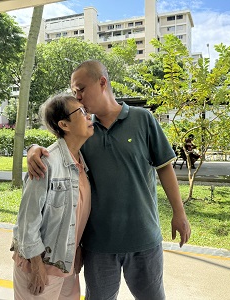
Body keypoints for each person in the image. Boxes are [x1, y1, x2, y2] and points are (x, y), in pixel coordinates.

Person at [27, 60, 191, 300]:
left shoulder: (142, 119)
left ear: (102, 82)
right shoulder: (83, 130)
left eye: (81, 89)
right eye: (74, 92)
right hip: (98, 244)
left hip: (143, 238)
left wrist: (179, 213)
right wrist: (33, 149)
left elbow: (164, 167)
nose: (78, 97)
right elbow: (57, 147)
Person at [10, 94, 94, 299]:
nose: (89, 115)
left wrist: (77, 251)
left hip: (65, 265)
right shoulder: (46, 163)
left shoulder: (81, 163)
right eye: (82, 112)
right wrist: (37, 266)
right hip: (39, 268)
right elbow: (27, 220)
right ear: (64, 124)